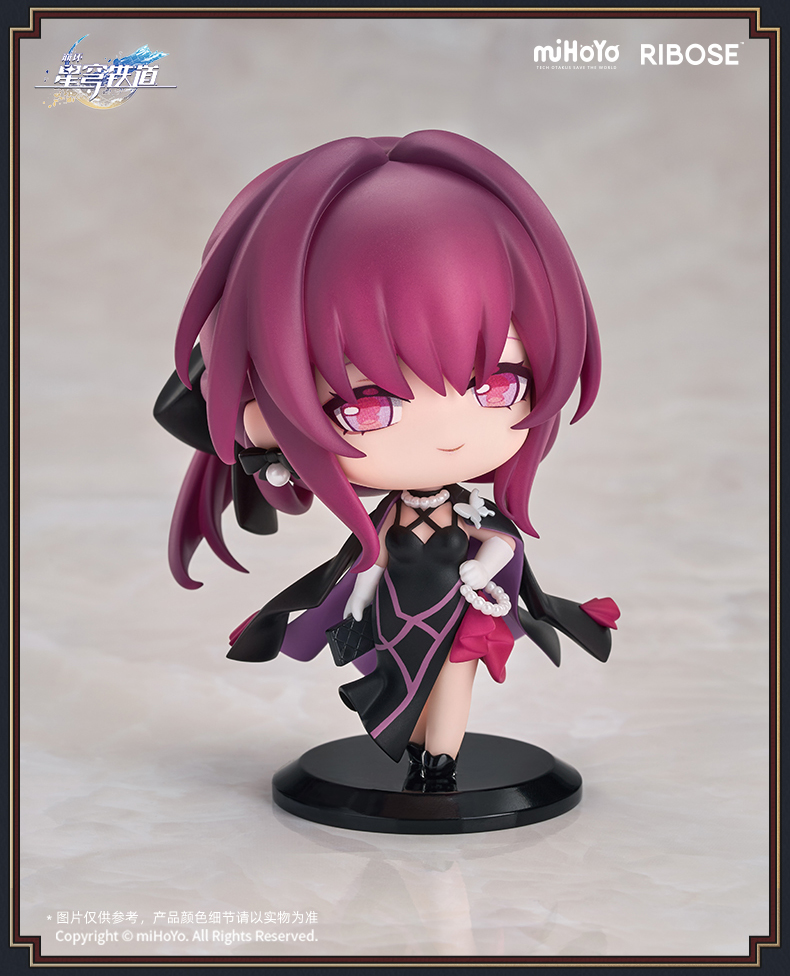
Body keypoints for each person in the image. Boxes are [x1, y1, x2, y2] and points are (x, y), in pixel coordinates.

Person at [155, 130, 619, 793]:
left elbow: (501, 542)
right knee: (407, 680)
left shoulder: (467, 510)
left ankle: (440, 760)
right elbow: (367, 563)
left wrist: (481, 572)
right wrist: (356, 601)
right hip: (400, 616)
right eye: (370, 405)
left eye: (498, 384)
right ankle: (424, 750)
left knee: (451, 677)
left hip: (459, 610)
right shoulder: (381, 514)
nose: (451, 432)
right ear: (266, 413)